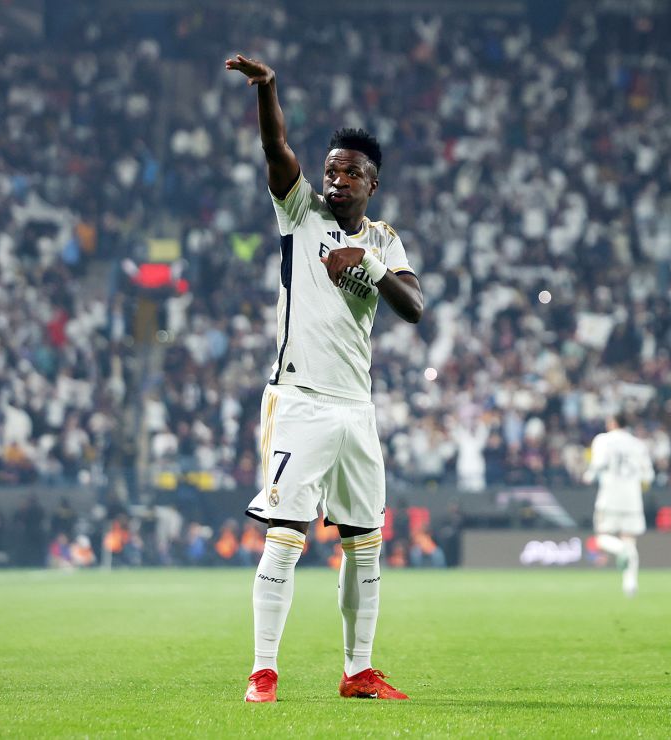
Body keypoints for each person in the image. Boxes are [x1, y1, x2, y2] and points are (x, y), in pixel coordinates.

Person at [225, 53, 424, 703]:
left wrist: (366, 267)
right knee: (286, 536)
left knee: (364, 544)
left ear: (373, 185)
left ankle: (357, 670)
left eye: (351, 172)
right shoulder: (300, 213)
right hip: (301, 400)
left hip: (355, 409)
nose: (336, 179)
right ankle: (263, 671)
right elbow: (275, 146)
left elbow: (414, 308)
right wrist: (268, 91)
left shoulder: (385, 241)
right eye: (332, 169)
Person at [582, 413, 654, 597]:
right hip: (632, 499)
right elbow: (648, 476)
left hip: (610, 497)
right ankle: (630, 584)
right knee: (630, 539)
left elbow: (598, 464)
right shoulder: (638, 445)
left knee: (601, 537)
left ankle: (621, 550)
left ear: (613, 423)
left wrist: (588, 476)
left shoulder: (603, 440)